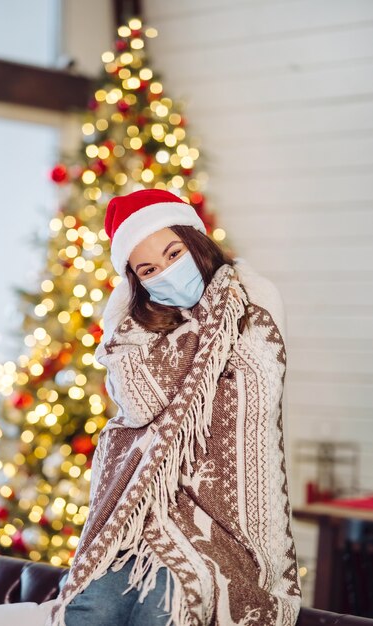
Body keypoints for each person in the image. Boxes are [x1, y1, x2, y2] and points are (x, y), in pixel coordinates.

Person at [49, 188, 302, 626]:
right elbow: (140, 403)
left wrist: (181, 340)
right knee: (91, 605)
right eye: (148, 269)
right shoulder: (136, 323)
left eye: (173, 253)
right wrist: (120, 312)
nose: (166, 272)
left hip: (223, 522)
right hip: (140, 513)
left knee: (164, 603)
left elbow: (251, 392)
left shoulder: (253, 298)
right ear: (138, 283)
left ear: (195, 241)